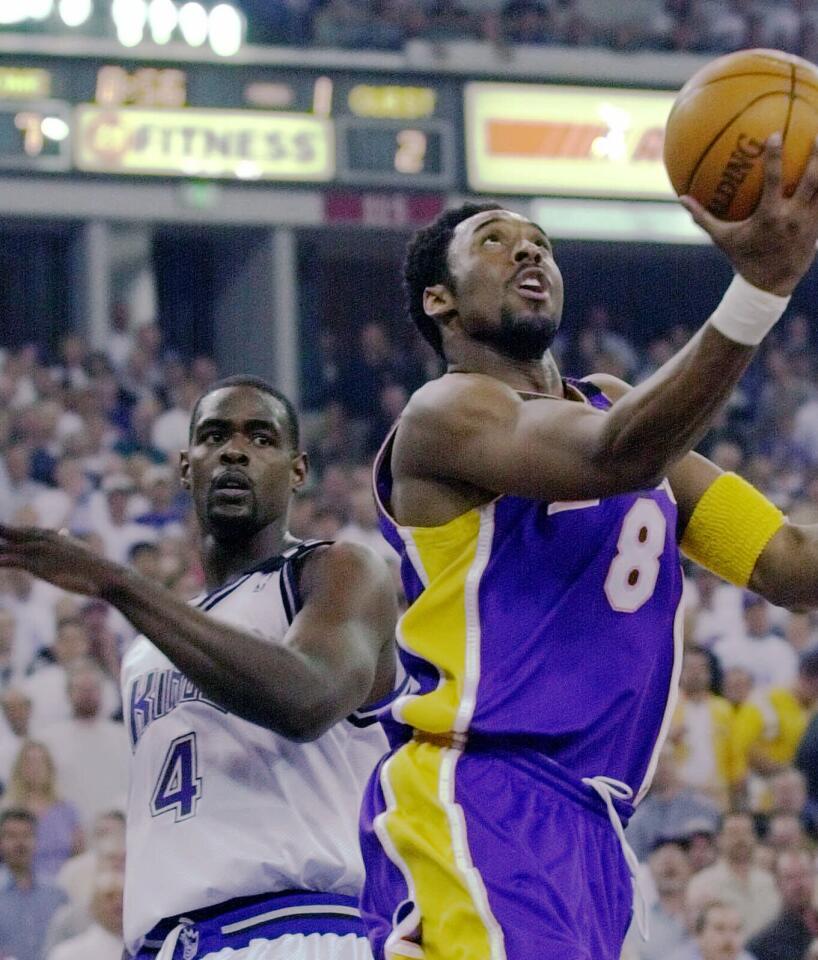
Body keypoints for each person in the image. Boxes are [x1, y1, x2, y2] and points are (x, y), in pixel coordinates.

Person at [359, 134, 818, 960]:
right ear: (440, 301)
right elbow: (613, 454)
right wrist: (758, 289)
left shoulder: (612, 407)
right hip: (482, 788)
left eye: (539, 242)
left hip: (598, 825)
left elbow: (788, 564)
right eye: (495, 241)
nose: (528, 250)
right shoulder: (445, 414)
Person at [0, 375, 399, 960]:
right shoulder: (146, 649)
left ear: (297, 470)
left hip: (298, 923)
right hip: (170, 941)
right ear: (187, 466)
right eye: (215, 436)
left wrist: (116, 582)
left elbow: (308, 697)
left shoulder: (335, 572)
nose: (235, 450)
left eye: (261, 438)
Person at [686, 811, 780, 940]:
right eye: (733, 833)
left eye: (746, 833)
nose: (740, 839)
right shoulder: (702, 884)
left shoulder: (771, 882)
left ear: (754, 837)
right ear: (719, 839)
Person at [2, 740, 84, 880]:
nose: (35, 768)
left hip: (62, 882)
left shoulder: (66, 810)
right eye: (29, 763)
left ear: (49, 768)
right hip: (16, 883)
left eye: (40, 762)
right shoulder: (7, 810)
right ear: (19, 768)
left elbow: (80, 854)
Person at [0, 808, 66, 960]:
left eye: (26, 835)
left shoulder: (57, 894)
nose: (20, 843)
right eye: (11, 836)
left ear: (37, 840)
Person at [745, 848, 818, 960]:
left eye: (804, 874)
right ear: (777, 884)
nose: (799, 884)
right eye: (790, 878)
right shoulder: (763, 944)